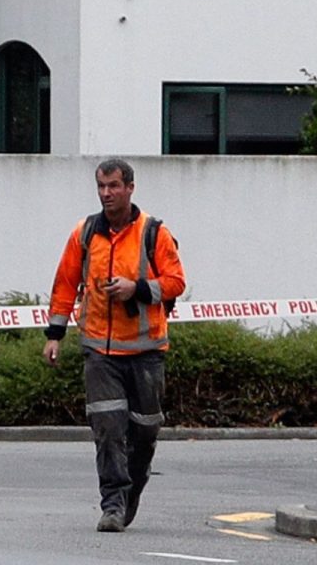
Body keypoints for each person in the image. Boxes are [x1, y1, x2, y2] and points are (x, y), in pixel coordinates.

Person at [45, 159, 187, 533]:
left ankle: (131, 491)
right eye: (101, 187)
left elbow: (175, 282)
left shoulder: (154, 233)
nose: (106, 193)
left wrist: (135, 287)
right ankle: (112, 504)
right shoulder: (85, 232)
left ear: (130, 188)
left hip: (146, 352)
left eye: (113, 186)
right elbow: (64, 283)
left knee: (143, 432)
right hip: (99, 352)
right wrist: (54, 334)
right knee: (107, 429)